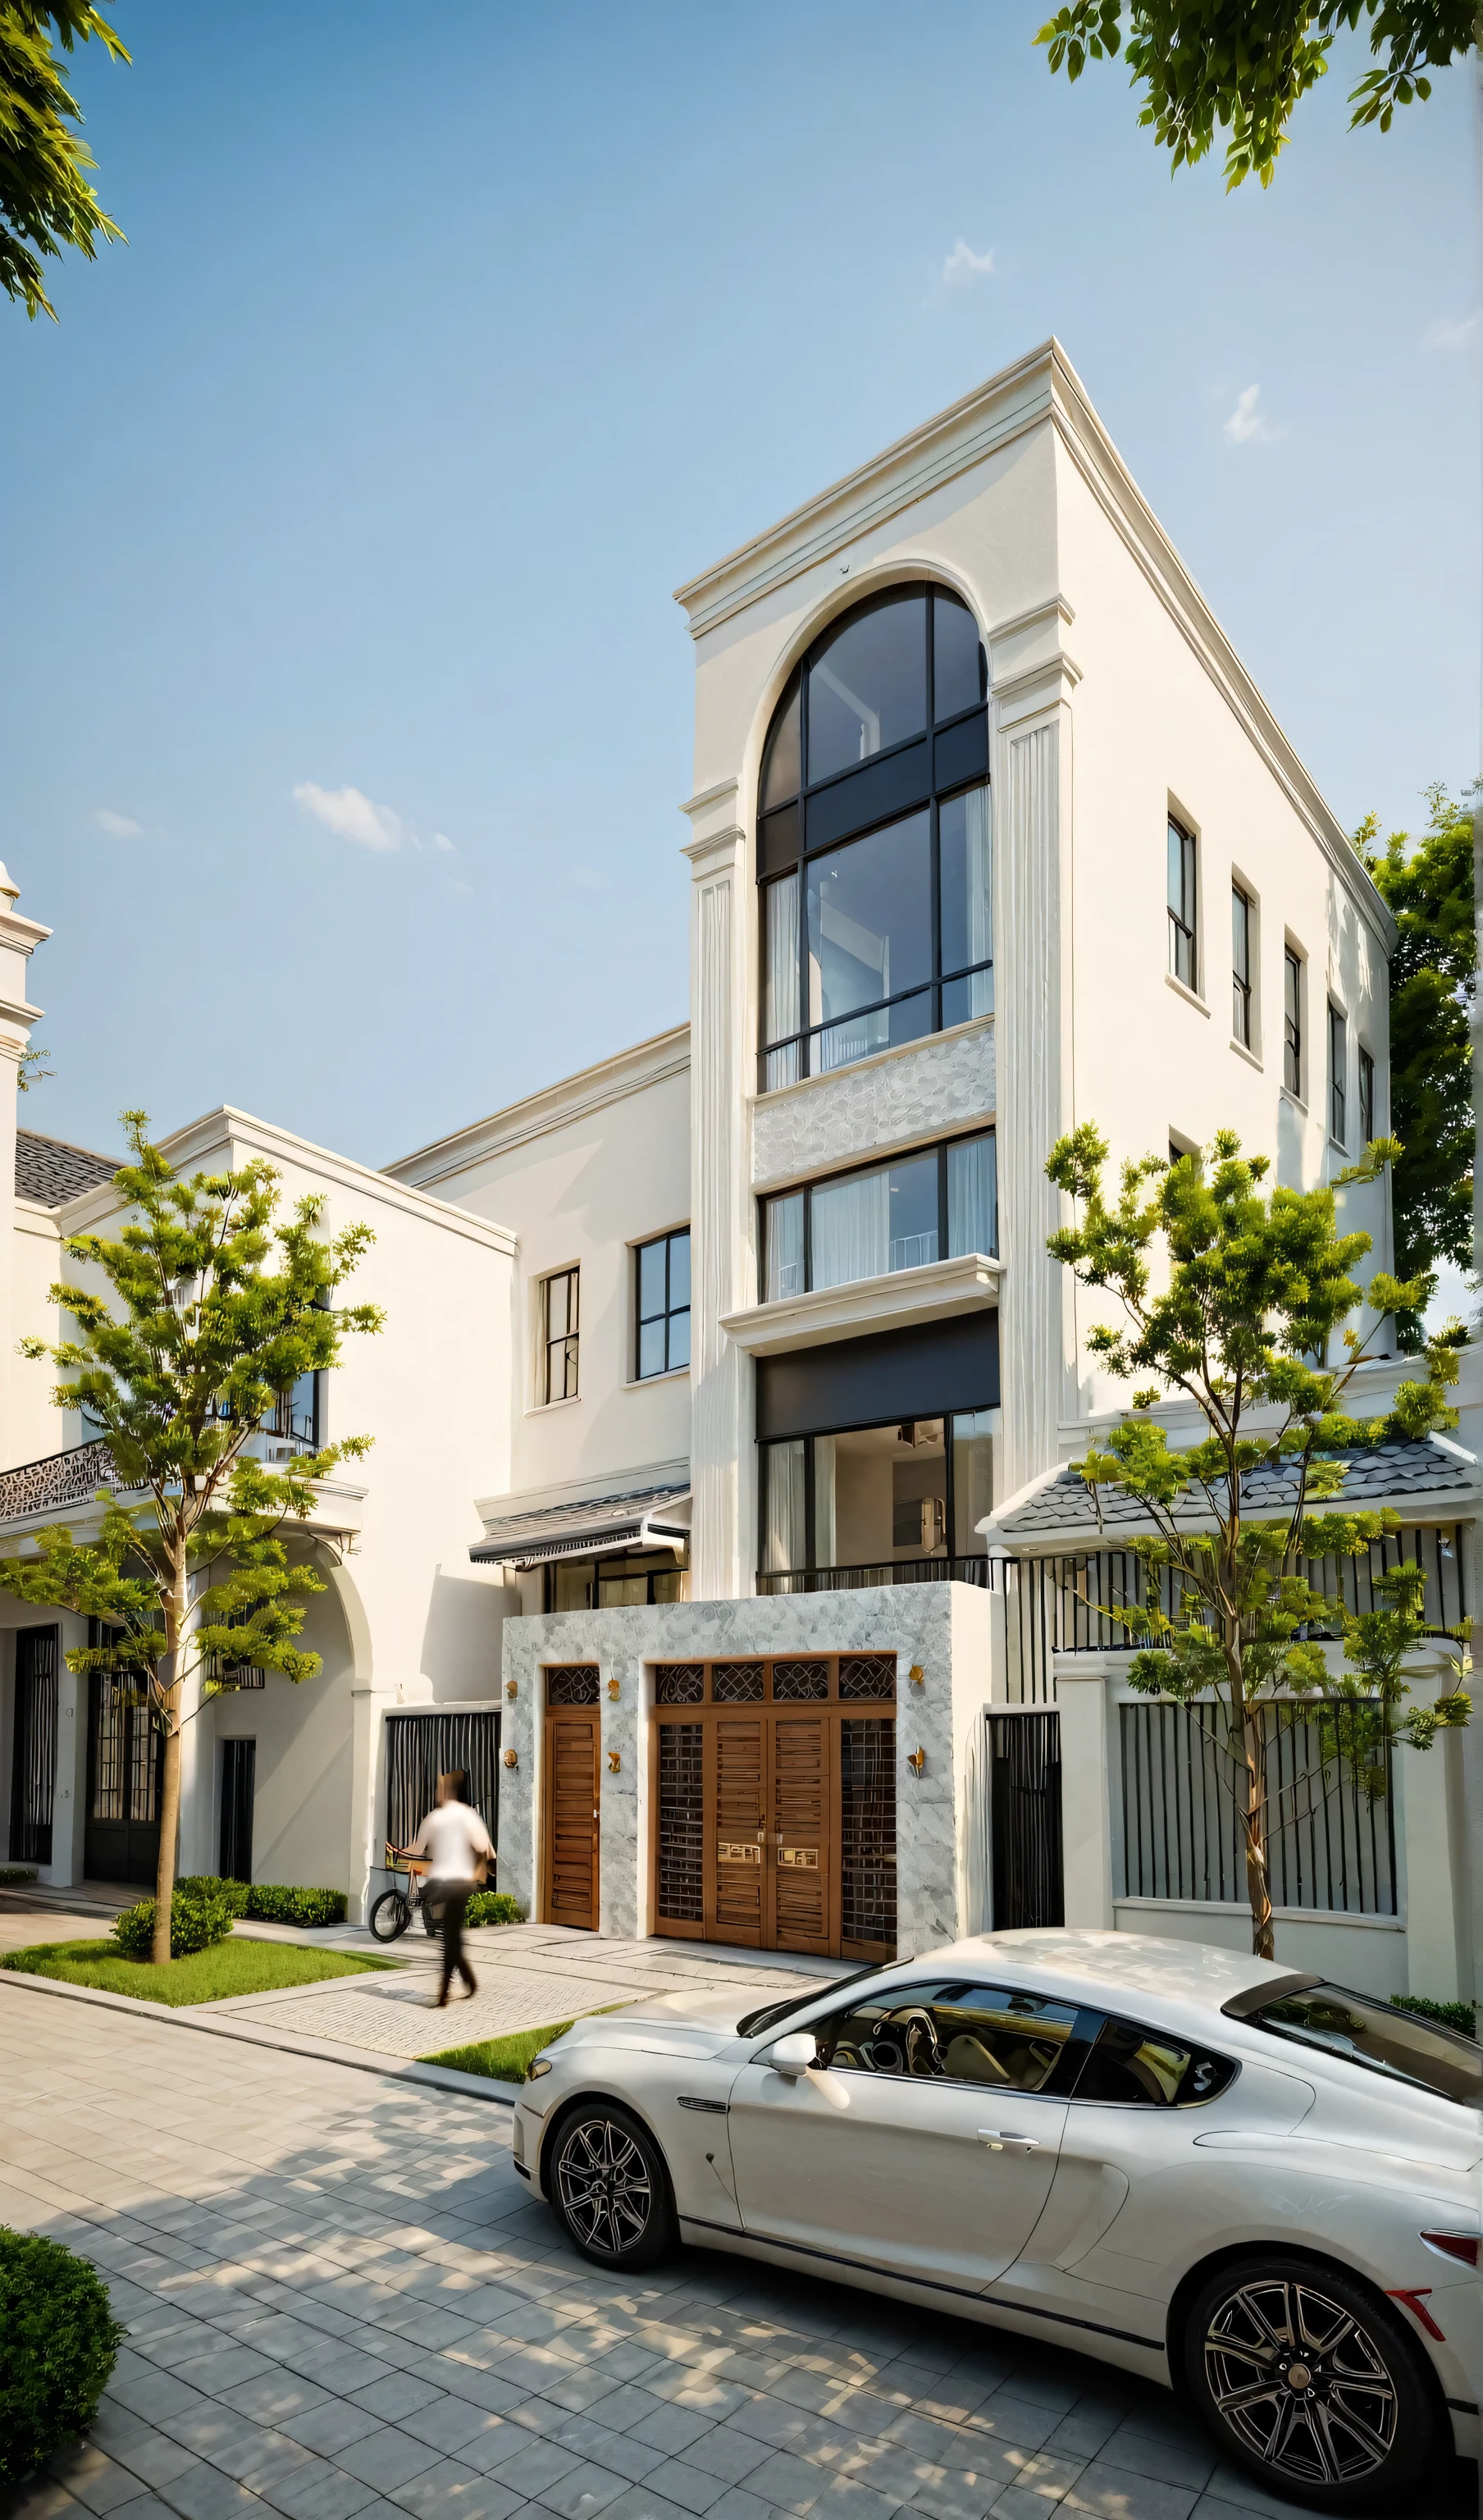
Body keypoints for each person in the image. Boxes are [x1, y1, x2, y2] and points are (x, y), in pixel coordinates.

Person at [401, 1769, 494, 2006]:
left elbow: (416, 1849)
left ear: (447, 1790)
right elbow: (486, 1848)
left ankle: (446, 1993)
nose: (437, 1791)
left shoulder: (435, 1817)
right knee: (452, 1936)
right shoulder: (468, 1815)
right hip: (461, 1883)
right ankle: (465, 1982)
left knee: (450, 1936)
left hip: (444, 1883)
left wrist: (395, 1853)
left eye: (440, 1787)